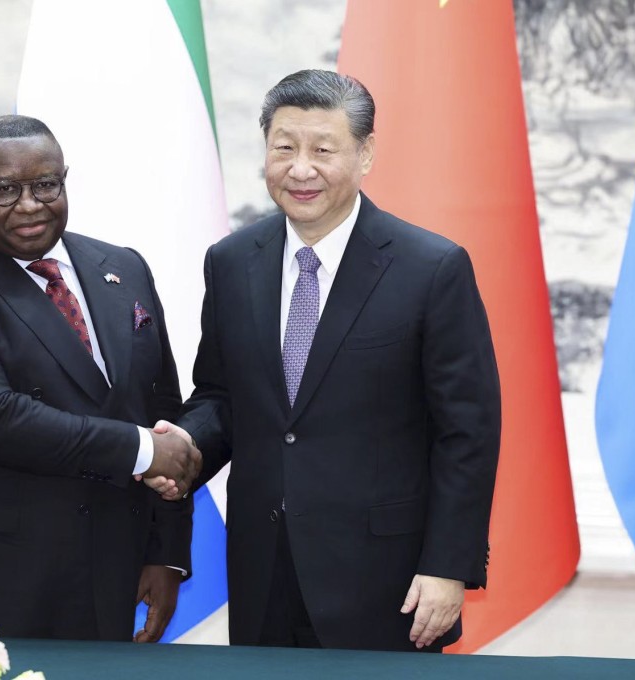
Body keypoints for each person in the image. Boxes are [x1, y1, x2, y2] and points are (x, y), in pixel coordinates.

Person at [157, 70, 501, 651]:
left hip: (387, 578)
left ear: (365, 154)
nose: (300, 169)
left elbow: (467, 431)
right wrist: (184, 448)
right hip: (263, 567)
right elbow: (220, 395)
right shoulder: (232, 260)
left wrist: (449, 565)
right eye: (284, 147)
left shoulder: (431, 267)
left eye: (323, 149)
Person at [0, 115, 201, 642]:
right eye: (5, 190)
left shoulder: (123, 267)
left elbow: (161, 410)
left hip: (111, 575)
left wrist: (166, 553)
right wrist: (141, 450)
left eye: (45, 185)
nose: (30, 204)